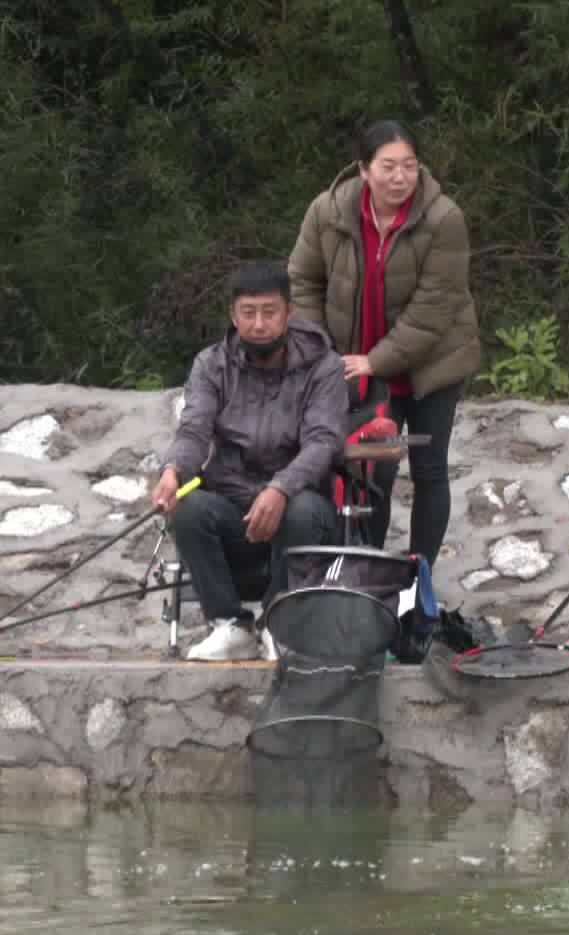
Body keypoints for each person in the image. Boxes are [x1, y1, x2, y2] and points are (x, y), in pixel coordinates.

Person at [288, 120, 480, 574]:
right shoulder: (328, 211)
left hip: (432, 363)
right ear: (363, 170)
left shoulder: (444, 218)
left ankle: (420, 578)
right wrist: (321, 352)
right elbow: (302, 280)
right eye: (388, 167)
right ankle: (368, 573)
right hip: (360, 372)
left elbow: (437, 305)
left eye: (409, 166)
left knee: (429, 469)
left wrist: (376, 360)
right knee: (373, 471)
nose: (400, 178)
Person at [151, 262, 347, 662]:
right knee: (187, 509)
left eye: (269, 312)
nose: (259, 324)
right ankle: (229, 625)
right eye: (248, 312)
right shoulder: (211, 364)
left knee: (305, 509)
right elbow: (193, 431)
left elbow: (322, 442)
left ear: (289, 314)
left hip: (301, 506)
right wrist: (172, 472)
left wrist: (280, 488)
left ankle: (280, 622)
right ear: (233, 315)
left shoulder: (324, 367)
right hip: (231, 503)